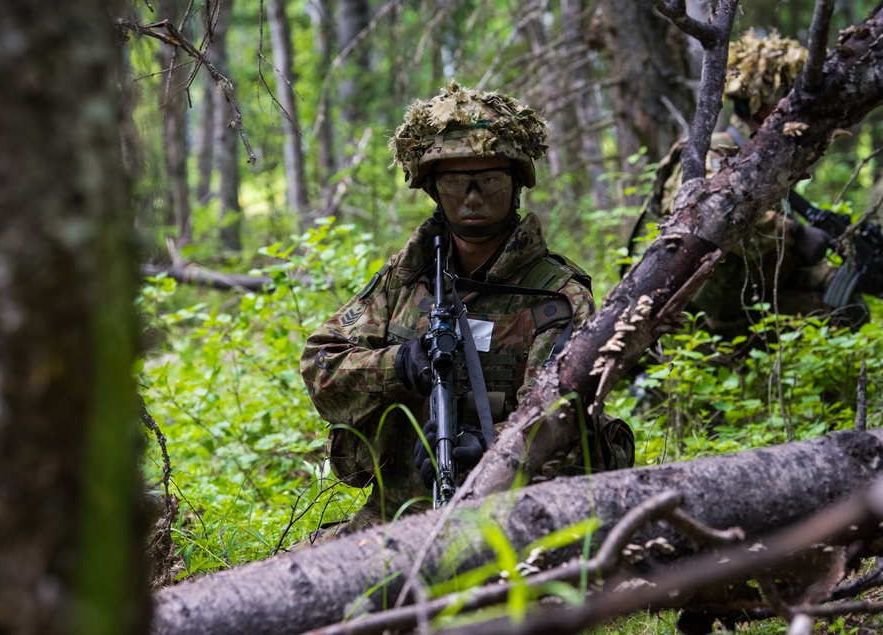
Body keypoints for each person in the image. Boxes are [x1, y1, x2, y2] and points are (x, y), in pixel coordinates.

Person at [300, 82, 633, 536]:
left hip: (510, 522)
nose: (472, 197)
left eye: (490, 180)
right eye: (455, 181)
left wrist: (490, 447)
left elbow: (562, 420)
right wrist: (399, 363)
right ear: (434, 190)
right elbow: (321, 366)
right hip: (390, 520)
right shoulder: (407, 278)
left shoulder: (556, 298)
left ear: (516, 184)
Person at [630, 30, 872, 342]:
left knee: (845, 308)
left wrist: (831, 271)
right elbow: (705, 222)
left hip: (745, 302)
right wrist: (793, 232)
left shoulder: (771, 162)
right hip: (689, 321)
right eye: (789, 100)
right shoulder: (713, 153)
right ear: (763, 104)